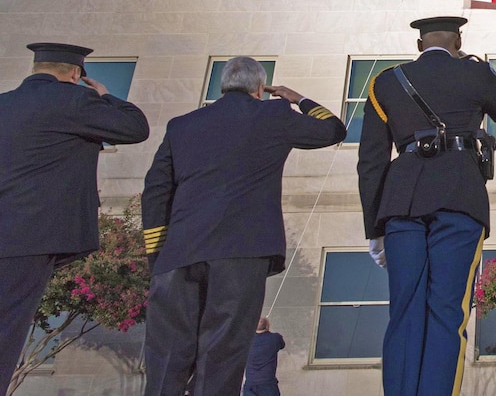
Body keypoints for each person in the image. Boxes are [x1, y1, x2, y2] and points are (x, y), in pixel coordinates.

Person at [141, 57, 346, 396]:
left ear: (223, 86)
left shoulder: (182, 125)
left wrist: (157, 256)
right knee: (222, 356)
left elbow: (156, 191)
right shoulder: (273, 114)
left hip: (177, 255)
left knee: (166, 357)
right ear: (259, 88)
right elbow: (333, 130)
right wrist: (297, 99)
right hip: (241, 254)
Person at [357, 16, 496, 396]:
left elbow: (370, 161)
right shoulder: (475, 74)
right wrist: (489, 75)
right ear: (459, 40)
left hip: (402, 203)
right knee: (447, 311)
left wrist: (374, 228)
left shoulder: (386, 82)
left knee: (404, 312)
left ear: (419, 45)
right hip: (459, 196)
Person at [0, 43, 150, 388]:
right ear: (74, 74)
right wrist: (105, 95)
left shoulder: (4, 103)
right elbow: (134, 127)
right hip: (28, 238)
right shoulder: (72, 101)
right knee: (6, 329)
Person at [243, 317, 285, 396]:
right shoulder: (275, 338)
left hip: (250, 382)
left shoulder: (248, 340)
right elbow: (282, 345)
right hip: (267, 383)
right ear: (268, 326)